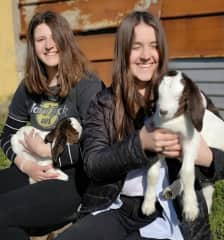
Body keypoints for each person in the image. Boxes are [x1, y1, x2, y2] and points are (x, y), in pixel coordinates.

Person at [55, 10, 224, 240]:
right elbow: (93, 163)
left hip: (169, 212)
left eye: (153, 46)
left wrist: (207, 158)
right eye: (136, 47)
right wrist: (140, 145)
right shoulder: (104, 103)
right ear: (123, 52)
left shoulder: (186, 93)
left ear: (161, 51)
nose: (146, 55)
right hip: (118, 208)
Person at [0, 11, 103, 239]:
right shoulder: (29, 86)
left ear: (65, 39)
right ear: (33, 47)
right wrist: (26, 165)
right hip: (31, 168)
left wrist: (47, 151)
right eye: (40, 40)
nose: (48, 45)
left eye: (53, 37)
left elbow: (96, 144)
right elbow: (7, 134)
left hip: (71, 179)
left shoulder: (87, 85)